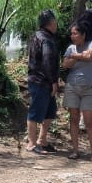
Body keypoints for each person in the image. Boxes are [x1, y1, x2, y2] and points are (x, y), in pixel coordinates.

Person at [62, 20, 92, 160]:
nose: (72, 36)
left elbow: (90, 56)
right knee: (73, 119)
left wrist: (74, 56)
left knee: (89, 121)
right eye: (71, 34)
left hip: (89, 88)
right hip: (72, 87)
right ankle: (75, 151)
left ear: (83, 34)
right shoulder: (70, 48)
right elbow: (65, 64)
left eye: (75, 33)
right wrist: (79, 56)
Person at [25, 9, 60, 155]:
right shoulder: (45, 39)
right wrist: (53, 81)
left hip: (41, 80)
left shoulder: (38, 36)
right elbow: (47, 61)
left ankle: (42, 140)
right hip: (41, 81)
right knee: (35, 112)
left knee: (50, 112)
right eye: (55, 21)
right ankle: (32, 144)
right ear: (51, 22)